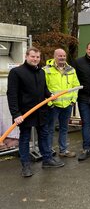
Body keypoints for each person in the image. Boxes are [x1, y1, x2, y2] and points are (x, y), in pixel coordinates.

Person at [7, 47, 64, 177]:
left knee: (43, 135)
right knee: (25, 138)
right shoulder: (16, 72)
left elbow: (44, 89)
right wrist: (16, 114)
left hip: (40, 111)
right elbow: (12, 95)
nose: (35, 59)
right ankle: (25, 165)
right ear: (27, 56)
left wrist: (50, 95)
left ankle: (47, 160)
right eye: (33, 56)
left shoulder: (41, 72)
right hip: (24, 113)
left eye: (37, 57)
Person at [44, 48, 80, 158]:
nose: (62, 58)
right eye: (59, 56)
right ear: (54, 56)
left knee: (64, 129)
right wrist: (50, 103)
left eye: (64, 56)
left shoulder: (71, 70)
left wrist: (73, 101)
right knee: (50, 129)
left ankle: (63, 150)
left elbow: (76, 86)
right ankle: (48, 152)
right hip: (53, 106)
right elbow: (43, 88)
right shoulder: (46, 70)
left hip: (67, 105)